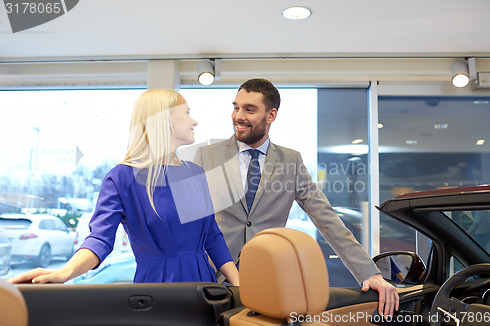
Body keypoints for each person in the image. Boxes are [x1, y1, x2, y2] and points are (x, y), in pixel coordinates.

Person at [193, 78, 398, 316]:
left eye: (249, 110)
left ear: (271, 115)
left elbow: (327, 218)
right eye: (236, 107)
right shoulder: (206, 156)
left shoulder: (291, 161)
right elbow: (187, 221)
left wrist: (370, 273)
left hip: (266, 283)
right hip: (210, 279)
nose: (238, 116)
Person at [9, 89, 239, 286]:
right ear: (166, 119)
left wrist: (240, 288)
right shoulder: (123, 177)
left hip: (204, 288)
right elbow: (100, 239)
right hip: (158, 289)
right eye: (187, 113)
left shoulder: (194, 173)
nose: (194, 121)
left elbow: (213, 238)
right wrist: (65, 272)